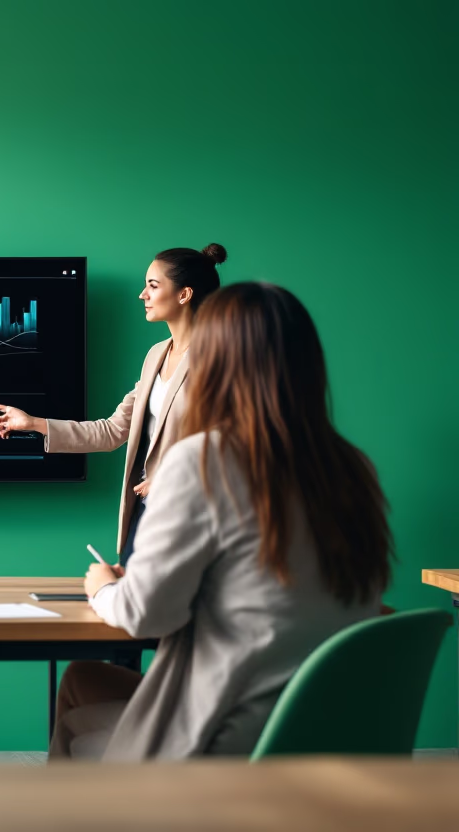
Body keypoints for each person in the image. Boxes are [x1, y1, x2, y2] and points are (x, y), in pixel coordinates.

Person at [51, 282, 392, 760]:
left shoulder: (202, 460)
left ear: (215, 363)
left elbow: (144, 614)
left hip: (227, 736)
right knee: (85, 679)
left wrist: (104, 587)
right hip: (324, 732)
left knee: (74, 723)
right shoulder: (353, 466)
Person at [0, 245, 226, 564]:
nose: (143, 294)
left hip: (189, 510)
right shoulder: (156, 355)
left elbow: (233, 439)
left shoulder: (219, 358)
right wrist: (34, 423)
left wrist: (174, 475)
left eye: (153, 286)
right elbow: (113, 431)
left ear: (184, 294)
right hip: (146, 507)